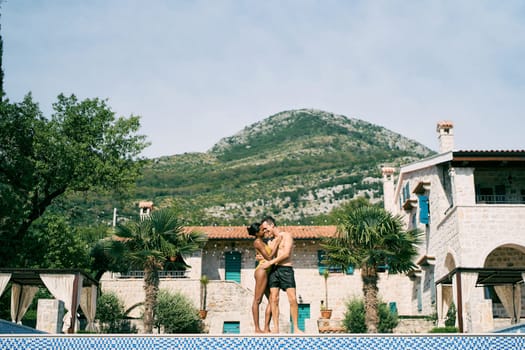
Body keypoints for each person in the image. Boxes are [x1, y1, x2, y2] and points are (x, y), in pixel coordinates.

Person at [259, 216, 303, 334]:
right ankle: (276, 328)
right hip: (274, 270)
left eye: (266, 228)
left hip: (286, 269)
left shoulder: (287, 236)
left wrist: (270, 262)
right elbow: (268, 255)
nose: (265, 231)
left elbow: (286, 254)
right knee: (274, 299)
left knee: (293, 299)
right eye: (263, 230)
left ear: (272, 225)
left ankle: (296, 328)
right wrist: (261, 258)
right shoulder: (271, 241)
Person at [247, 222, 281, 333]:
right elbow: (269, 257)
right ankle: (257, 328)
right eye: (262, 230)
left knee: (272, 299)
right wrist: (277, 244)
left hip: (267, 271)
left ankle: (266, 327)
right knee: (257, 300)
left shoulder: (262, 241)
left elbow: (266, 256)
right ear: (257, 233)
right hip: (262, 271)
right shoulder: (257, 242)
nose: (264, 231)